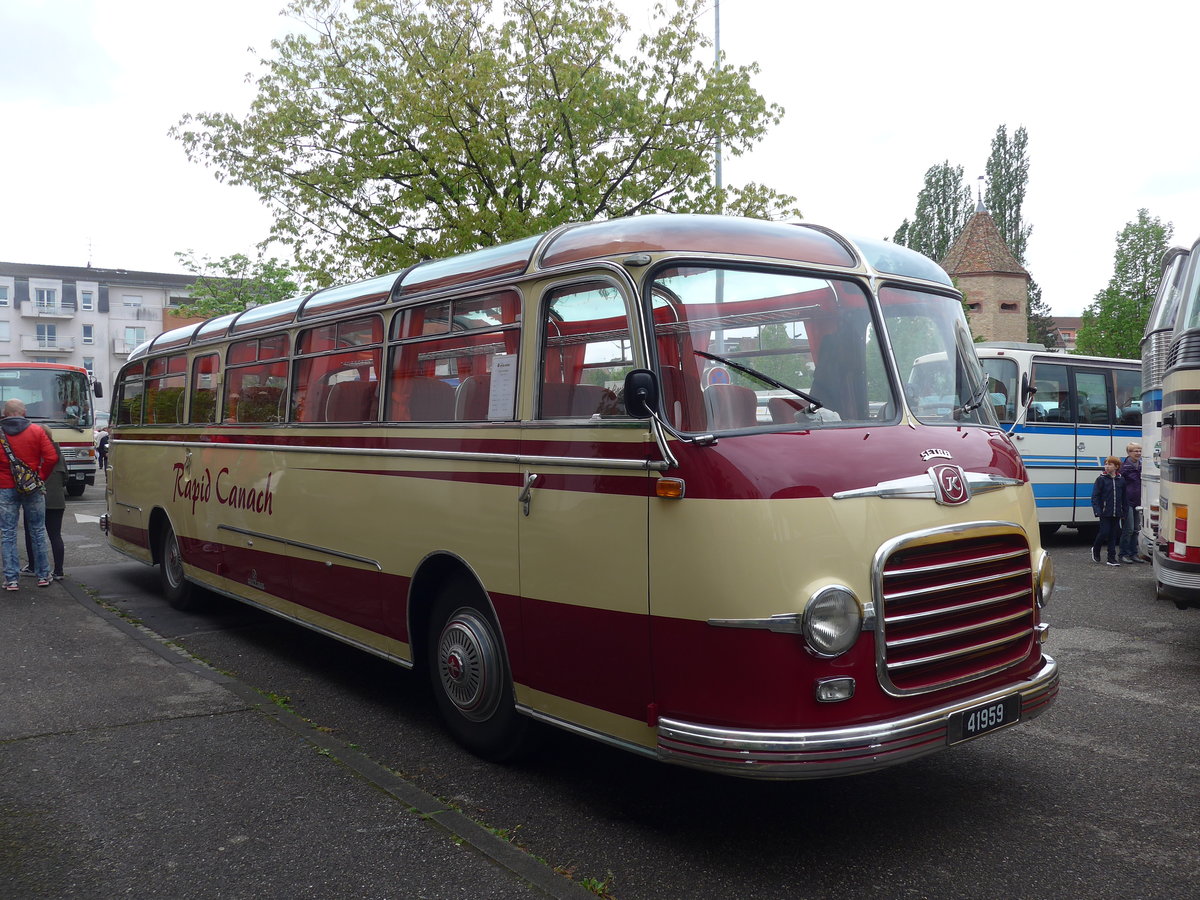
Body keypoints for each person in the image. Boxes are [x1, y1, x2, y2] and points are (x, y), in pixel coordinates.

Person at [0, 399, 57, 589]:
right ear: (23, 412)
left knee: (8, 533)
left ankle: (12, 579)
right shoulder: (36, 431)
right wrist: (39, 476)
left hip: (5, 487)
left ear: (4, 413)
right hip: (32, 487)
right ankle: (42, 575)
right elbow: (51, 457)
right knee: (38, 531)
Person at [22, 428, 66, 580]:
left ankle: (33, 566)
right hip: (57, 500)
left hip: (35, 498)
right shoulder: (60, 454)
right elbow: (65, 477)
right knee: (55, 535)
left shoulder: (33, 453)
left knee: (31, 533)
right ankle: (59, 571)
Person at [1091, 456, 1127, 567]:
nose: (1107, 466)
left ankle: (1111, 558)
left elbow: (1124, 497)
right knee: (1104, 532)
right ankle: (1096, 549)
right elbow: (1095, 496)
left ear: (1116, 467)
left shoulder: (1121, 480)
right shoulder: (1101, 479)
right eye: (1106, 464)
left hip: (1117, 512)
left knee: (1113, 534)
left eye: (1110, 464)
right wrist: (1097, 510)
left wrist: (1124, 511)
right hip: (1105, 512)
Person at [1118, 442, 1143, 564]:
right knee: (1128, 529)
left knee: (1136, 529)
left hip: (1138, 501)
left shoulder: (1141, 465)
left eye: (1139, 451)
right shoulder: (1124, 467)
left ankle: (1134, 553)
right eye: (1135, 451)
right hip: (1127, 502)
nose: (1138, 453)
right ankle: (1123, 554)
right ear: (1129, 453)